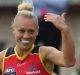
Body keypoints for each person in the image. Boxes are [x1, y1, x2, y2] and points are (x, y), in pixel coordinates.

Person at [0, 1, 75, 75]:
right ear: (13, 30)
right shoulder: (3, 57)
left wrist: (64, 30)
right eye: (21, 31)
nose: (26, 36)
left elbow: (69, 62)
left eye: (31, 31)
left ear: (37, 32)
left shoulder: (45, 53)